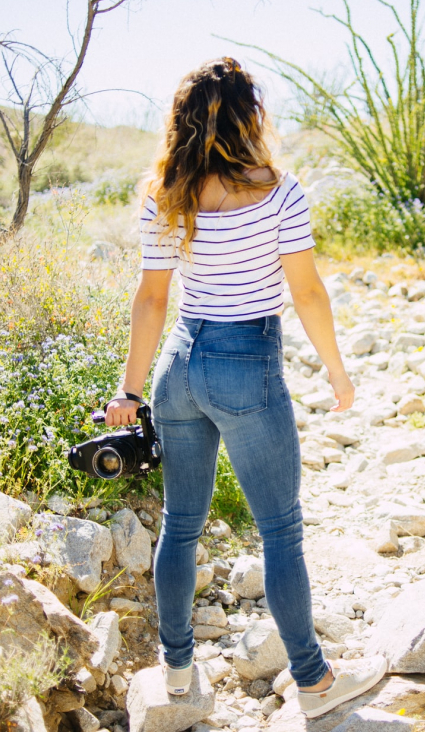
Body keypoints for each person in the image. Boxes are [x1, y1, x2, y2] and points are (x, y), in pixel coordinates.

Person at [104, 57, 387, 718]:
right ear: (248, 115)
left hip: (180, 362)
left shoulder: (165, 194)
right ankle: (315, 684)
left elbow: (151, 299)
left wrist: (130, 388)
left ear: (183, 123)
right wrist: (337, 369)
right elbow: (308, 291)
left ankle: (177, 674)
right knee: (281, 530)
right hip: (246, 362)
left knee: (181, 525)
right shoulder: (280, 192)